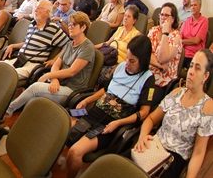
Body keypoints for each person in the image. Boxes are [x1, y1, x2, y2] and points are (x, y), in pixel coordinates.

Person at [66, 35, 155, 178]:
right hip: (94, 112)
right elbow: (105, 90)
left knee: (75, 152)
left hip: (109, 125)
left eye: (132, 61)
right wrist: (87, 100)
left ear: (143, 61)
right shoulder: (120, 67)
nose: (127, 63)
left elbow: (144, 113)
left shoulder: (147, 78)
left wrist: (118, 122)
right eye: (127, 58)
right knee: (61, 121)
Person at [133, 49, 213, 178]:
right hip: (153, 147)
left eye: (197, 68)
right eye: (191, 66)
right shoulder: (177, 93)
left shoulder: (208, 106)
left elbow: (198, 153)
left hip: (172, 159)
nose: (191, 72)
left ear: (206, 76)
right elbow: (151, 120)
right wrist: (142, 137)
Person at [5, 12, 95, 116]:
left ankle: (7, 111)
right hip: (59, 83)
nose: (69, 27)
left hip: (72, 90)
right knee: (32, 100)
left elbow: (72, 71)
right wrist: (54, 79)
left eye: (73, 25)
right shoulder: (70, 44)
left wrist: (49, 75)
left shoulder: (87, 47)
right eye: (69, 24)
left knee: (35, 88)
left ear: (83, 27)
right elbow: (56, 65)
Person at [0, 0, 69, 85]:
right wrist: (13, 45)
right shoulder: (32, 25)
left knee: (3, 73)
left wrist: (55, 60)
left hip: (32, 65)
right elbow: (27, 43)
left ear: (47, 12)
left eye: (39, 8)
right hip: (20, 59)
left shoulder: (53, 28)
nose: (35, 10)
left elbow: (68, 45)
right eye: (35, 7)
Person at [148, 2, 182, 105]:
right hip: (147, 75)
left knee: (147, 99)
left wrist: (165, 33)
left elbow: (162, 58)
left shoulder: (176, 37)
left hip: (161, 82)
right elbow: (145, 53)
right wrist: (158, 65)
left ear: (173, 19)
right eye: (161, 14)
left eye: (167, 15)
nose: (163, 17)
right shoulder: (153, 30)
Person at [180, 0, 209, 69]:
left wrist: (181, 41)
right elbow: (180, 36)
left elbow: (196, 41)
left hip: (195, 55)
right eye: (192, 5)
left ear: (200, 7)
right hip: (183, 53)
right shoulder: (187, 21)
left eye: (195, 5)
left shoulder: (204, 21)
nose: (193, 7)